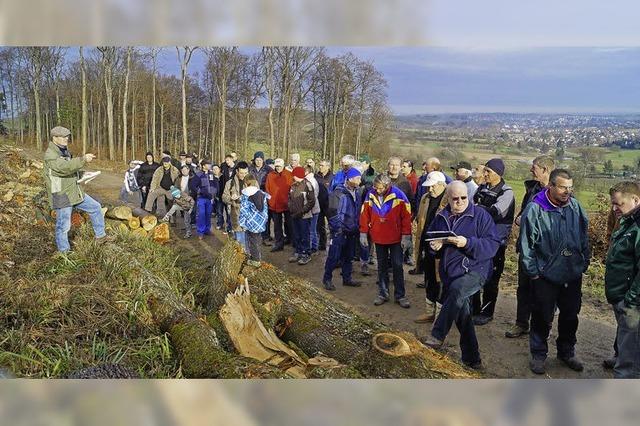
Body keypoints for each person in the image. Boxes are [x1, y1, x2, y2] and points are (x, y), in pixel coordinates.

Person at [422, 181, 500, 370]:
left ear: (469, 196)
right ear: (448, 198)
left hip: (476, 270)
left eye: (463, 198)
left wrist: (467, 243)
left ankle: (437, 335)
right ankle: (473, 359)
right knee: (462, 314)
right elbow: (430, 240)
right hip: (450, 273)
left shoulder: (480, 215)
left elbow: (492, 246)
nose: (459, 202)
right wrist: (435, 248)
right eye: (454, 198)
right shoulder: (441, 217)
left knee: (457, 291)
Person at [519, 169, 589, 375]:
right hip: (545, 275)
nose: (567, 191)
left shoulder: (575, 206)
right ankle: (539, 354)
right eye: (562, 187)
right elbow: (526, 244)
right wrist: (533, 272)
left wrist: (583, 262)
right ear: (550, 186)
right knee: (542, 315)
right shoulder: (535, 209)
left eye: (570, 187)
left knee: (570, 315)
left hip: (572, 273)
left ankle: (566, 351)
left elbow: (584, 236)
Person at [506, 155, 555, 338]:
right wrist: (520, 218)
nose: (530, 170)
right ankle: (521, 323)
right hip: (527, 248)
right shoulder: (532, 190)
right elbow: (523, 213)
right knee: (524, 287)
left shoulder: (558, 193)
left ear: (545, 170)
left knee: (544, 292)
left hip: (547, 252)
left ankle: (542, 328)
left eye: (534, 167)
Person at [44, 126, 112, 253]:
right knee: (63, 226)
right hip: (62, 194)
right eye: (63, 136)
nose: (66, 138)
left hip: (74, 191)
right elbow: (63, 168)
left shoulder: (64, 151)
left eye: (67, 136)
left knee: (96, 207)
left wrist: (83, 174)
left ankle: (101, 237)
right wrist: (83, 159)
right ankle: (64, 253)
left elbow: (69, 170)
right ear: (54, 138)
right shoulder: (51, 154)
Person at [471, 158, 515, 326]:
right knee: (475, 273)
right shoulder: (482, 187)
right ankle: (474, 308)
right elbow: (472, 205)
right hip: (480, 239)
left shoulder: (506, 192)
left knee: (491, 278)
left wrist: (478, 209)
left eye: (488, 171)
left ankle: (487, 312)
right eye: (485, 170)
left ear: (498, 173)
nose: (485, 174)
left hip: (497, 242)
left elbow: (495, 212)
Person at [360, 173, 412, 308]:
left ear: (387, 186)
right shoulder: (371, 195)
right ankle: (383, 293)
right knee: (381, 266)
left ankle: (400, 295)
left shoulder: (399, 196)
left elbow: (406, 217)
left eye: (380, 188)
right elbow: (364, 214)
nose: (377, 190)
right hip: (378, 236)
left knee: (397, 266)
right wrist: (363, 232)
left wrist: (406, 235)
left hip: (395, 237)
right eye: (375, 187)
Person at [605, 181, 640, 378]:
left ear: (635, 199)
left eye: (619, 204)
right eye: (613, 203)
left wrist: (631, 299)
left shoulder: (638, 226)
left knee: (629, 359)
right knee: (626, 342)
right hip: (622, 296)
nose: (614, 208)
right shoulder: (628, 219)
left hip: (632, 302)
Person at [412, 172, 448, 324]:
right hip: (427, 245)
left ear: (442, 184)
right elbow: (421, 220)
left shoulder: (450, 199)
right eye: (429, 186)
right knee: (429, 279)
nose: (431, 189)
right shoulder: (425, 199)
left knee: (441, 282)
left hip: (443, 248)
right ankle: (429, 312)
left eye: (433, 186)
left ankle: (440, 317)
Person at [323, 168, 363, 290]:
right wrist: (337, 228)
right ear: (350, 179)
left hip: (352, 230)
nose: (360, 181)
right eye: (357, 178)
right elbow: (332, 212)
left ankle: (347, 279)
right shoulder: (338, 193)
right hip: (339, 231)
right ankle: (327, 279)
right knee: (333, 256)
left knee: (348, 257)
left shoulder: (356, 193)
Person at [387, 156, 414, 266]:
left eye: (396, 165)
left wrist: (409, 217)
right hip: (383, 219)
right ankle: (384, 274)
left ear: (400, 167)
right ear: (388, 166)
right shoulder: (382, 179)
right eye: (391, 164)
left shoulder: (405, 183)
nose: (394, 167)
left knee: (396, 250)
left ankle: (396, 272)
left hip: (398, 221)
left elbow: (410, 201)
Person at [239, 175, 270, 267]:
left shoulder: (246, 195)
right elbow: (265, 208)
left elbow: (244, 210)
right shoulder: (261, 193)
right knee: (257, 240)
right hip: (260, 223)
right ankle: (258, 257)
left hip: (251, 223)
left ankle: (255, 260)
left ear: (246, 183)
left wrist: (243, 223)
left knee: (252, 241)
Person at [287, 166, 316, 265]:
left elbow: (312, 201)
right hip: (294, 215)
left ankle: (306, 254)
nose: (292, 177)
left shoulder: (307, 185)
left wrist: (302, 211)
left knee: (305, 235)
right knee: (297, 235)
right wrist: (290, 207)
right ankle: (298, 251)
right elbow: (290, 198)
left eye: (294, 175)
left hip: (304, 215)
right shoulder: (293, 185)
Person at [264, 158, 293, 252]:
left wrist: (290, 201)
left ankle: (293, 242)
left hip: (287, 204)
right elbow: (267, 189)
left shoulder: (289, 174)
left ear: (283, 165)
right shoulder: (270, 175)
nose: (278, 168)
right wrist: (270, 201)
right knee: (277, 226)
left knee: (290, 224)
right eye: (276, 166)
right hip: (275, 205)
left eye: (279, 166)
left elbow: (292, 189)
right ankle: (279, 244)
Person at [160, 166, 195, 239]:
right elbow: (175, 188)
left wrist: (191, 207)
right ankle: (166, 217)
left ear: (188, 170)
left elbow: (193, 196)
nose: (184, 171)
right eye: (182, 170)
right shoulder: (178, 179)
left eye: (185, 170)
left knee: (186, 218)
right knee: (174, 207)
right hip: (180, 198)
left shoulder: (192, 178)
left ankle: (189, 231)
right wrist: (175, 195)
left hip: (187, 202)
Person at [222, 161, 250, 247]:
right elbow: (224, 197)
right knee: (240, 241)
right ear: (237, 171)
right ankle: (241, 258)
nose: (244, 175)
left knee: (249, 240)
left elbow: (257, 197)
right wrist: (231, 198)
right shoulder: (230, 183)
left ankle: (248, 257)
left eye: (246, 173)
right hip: (236, 214)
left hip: (249, 215)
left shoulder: (252, 182)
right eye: (241, 173)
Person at [191, 159, 216, 240]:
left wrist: (214, 193)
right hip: (201, 198)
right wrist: (199, 192)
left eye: (210, 164)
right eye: (208, 164)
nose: (209, 166)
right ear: (203, 166)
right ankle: (200, 232)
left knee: (208, 215)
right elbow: (193, 185)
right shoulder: (198, 174)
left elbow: (214, 184)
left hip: (210, 198)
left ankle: (207, 230)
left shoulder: (211, 174)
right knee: (201, 215)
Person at [315, 160, 334, 251]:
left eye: (322, 165)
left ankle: (332, 244)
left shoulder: (333, 177)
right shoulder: (316, 176)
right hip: (318, 204)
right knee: (320, 225)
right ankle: (322, 244)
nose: (320, 167)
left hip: (329, 205)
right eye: (320, 165)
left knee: (332, 226)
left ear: (328, 167)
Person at [305, 165, 321, 255]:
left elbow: (313, 196)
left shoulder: (311, 181)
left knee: (312, 229)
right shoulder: (311, 180)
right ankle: (313, 246)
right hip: (313, 207)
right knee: (312, 229)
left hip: (313, 208)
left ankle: (313, 247)